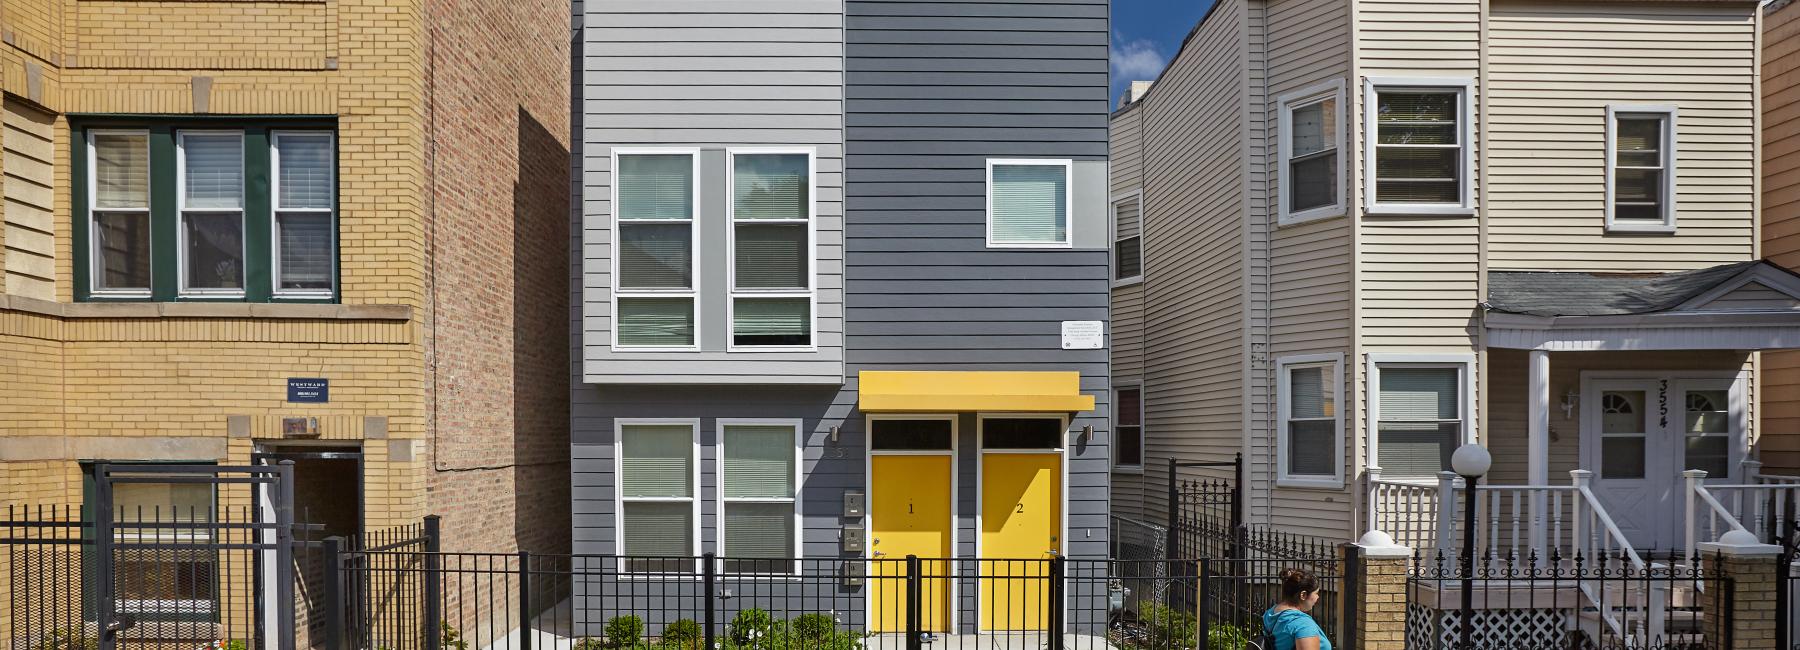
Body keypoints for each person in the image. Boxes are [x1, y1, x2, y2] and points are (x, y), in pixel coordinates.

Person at [1261, 568, 1331, 650]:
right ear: (1303, 595)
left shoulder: (1271, 613)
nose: (1318, 597)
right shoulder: (1303, 624)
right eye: (1316, 593)